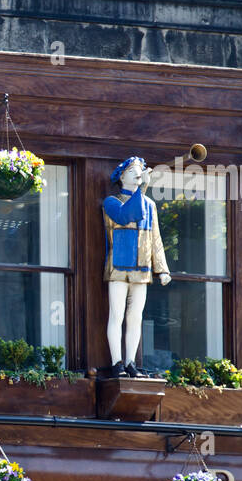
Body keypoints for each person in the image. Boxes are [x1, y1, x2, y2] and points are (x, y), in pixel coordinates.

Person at [102, 155, 169, 377]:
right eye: (131, 170)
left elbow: (156, 238)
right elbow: (126, 215)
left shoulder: (151, 205)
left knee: (135, 317)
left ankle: (130, 362)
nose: (137, 174)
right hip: (118, 267)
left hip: (142, 268)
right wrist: (143, 189)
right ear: (121, 176)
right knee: (117, 315)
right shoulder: (112, 202)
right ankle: (117, 362)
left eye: (139, 170)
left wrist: (162, 268)